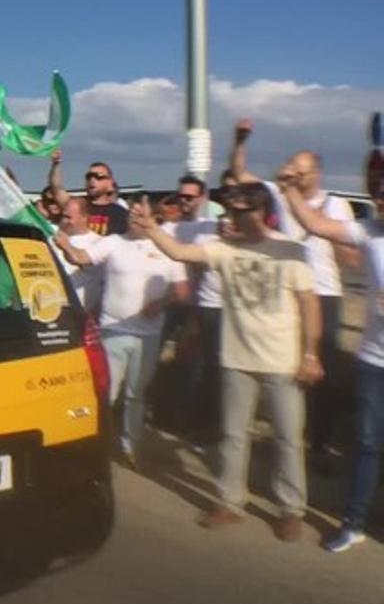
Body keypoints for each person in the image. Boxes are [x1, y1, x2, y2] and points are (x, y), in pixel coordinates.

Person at [132, 183, 322, 542]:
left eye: (240, 209)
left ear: (262, 212)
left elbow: (310, 304)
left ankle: (290, 509)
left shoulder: (290, 251)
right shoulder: (223, 250)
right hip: (237, 359)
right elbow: (179, 252)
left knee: (288, 438)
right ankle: (230, 502)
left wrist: (311, 353)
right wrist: (152, 227)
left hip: (283, 361)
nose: (231, 216)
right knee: (233, 436)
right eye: (229, 209)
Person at [228, 119, 357, 472]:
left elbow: (346, 251)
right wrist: (241, 140)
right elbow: (239, 172)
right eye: (292, 170)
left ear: (315, 173)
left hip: (324, 294)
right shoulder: (280, 194)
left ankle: (320, 443)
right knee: (288, 367)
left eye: (301, 172)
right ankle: (289, 435)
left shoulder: (334, 205)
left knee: (321, 369)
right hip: (288, 294)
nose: (295, 177)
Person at [276, 165, 384, 552]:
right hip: (373, 361)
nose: (381, 202)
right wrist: (289, 191)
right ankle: (353, 522)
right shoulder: (369, 233)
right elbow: (315, 223)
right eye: (379, 196)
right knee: (367, 442)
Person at [54, 203, 190, 468]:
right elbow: (82, 258)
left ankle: (131, 447)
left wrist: (161, 303)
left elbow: (183, 292)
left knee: (136, 394)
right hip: (112, 330)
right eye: (131, 215)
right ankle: (95, 446)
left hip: (148, 335)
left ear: (153, 217)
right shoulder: (113, 242)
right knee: (106, 394)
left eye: (140, 215)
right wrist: (65, 245)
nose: (134, 220)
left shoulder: (168, 247)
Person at [163, 175, 224, 443]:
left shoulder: (211, 228)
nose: (184, 202)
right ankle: (171, 415)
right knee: (173, 362)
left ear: (202, 197)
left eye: (190, 197)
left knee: (201, 366)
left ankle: (199, 422)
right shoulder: (169, 229)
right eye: (181, 197)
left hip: (206, 307)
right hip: (173, 304)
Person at [47, 148, 129, 236]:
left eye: (99, 177)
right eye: (89, 176)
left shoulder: (121, 213)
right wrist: (55, 165)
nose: (92, 180)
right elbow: (56, 188)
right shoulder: (77, 206)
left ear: (110, 183)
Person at [55, 197, 102, 315]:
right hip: (55, 309)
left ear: (84, 217)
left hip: (80, 314)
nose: (65, 221)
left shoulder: (98, 244)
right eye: (63, 216)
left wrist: (66, 247)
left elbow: (79, 260)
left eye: (69, 217)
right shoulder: (54, 239)